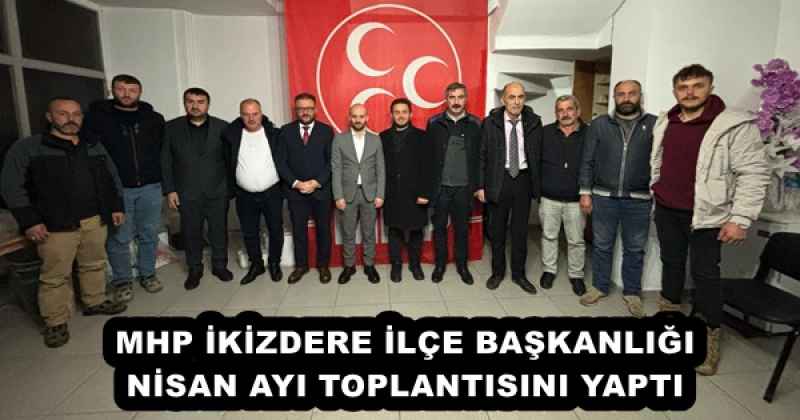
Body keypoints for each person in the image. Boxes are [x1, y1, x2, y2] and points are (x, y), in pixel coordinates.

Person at [651, 64, 769, 375]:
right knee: (671, 265)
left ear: (710, 87)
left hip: (707, 216)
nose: (690, 92)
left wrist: (740, 218)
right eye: (683, 87)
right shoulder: (667, 121)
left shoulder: (734, 125)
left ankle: (708, 340)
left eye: (697, 85)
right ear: (675, 91)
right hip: (667, 209)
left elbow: (754, 173)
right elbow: (658, 161)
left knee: (705, 276)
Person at [1, 97, 128, 347]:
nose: (71, 119)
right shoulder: (29, 148)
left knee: (94, 263)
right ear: (50, 117)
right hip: (55, 225)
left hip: (94, 219)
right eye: (63, 114)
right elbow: (11, 186)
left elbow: (111, 177)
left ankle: (94, 301)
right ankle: (55, 321)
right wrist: (29, 221)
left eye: (76, 114)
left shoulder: (92, 145)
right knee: (55, 275)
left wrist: (116, 206)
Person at [82, 74, 166, 302]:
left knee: (149, 233)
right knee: (120, 236)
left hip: (150, 186)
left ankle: (148, 274)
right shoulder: (98, 119)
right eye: (121, 89)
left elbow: (162, 151)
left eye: (132, 90)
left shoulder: (153, 119)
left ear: (140, 92)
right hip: (118, 189)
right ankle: (122, 281)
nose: (127, 94)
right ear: (112, 90)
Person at [578, 80, 657, 318]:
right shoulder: (600, 124)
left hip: (639, 199)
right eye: (621, 94)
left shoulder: (654, 124)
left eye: (632, 93)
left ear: (640, 96)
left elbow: (661, 161)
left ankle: (632, 292)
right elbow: (587, 159)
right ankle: (600, 286)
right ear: (614, 97)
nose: (626, 98)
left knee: (635, 249)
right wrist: (585, 191)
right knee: (602, 245)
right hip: (604, 197)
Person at [162, 88, 232, 290]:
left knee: (219, 231)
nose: (195, 106)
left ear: (208, 104)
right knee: (191, 232)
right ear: (185, 103)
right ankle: (194, 268)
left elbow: (230, 159)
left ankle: (220, 265)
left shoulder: (223, 127)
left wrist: (229, 188)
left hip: (217, 190)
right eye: (190, 101)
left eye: (200, 101)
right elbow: (165, 160)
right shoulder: (171, 127)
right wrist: (170, 190)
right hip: (186, 191)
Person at [477, 82, 542, 294]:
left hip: (523, 180)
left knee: (520, 232)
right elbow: (481, 156)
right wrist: (480, 186)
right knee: (497, 231)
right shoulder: (490, 123)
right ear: (503, 99)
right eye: (512, 97)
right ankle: (497, 273)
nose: (516, 102)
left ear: (524, 99)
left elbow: (539, 155)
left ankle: (519, 275)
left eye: (520, 97)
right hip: (499, 180)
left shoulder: (534, 122)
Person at [223, 98, 285, 286]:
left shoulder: (274, 134)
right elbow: (225, 163)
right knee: (249, 232)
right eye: (246, 114)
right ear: (240, 116)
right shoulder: (231, 136)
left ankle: (274, 263)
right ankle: (256, 264)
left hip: (272, 192)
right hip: (244, 194)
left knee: (275, 229)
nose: (251, 118)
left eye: (255, 114)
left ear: (261, 113)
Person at [425, 82, 482, 284]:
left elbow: (480, 158)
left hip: (464, 189)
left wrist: (479, 186)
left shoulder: (476, 124)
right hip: (440, 188)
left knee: (462, 230)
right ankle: (440, 265)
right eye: (452, 97)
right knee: (439, 228)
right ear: (446, 99)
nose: (456, 101)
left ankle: (462, 266)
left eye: (460, 97)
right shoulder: (433, 123)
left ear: (466, 99)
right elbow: (427, 158)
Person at [277, 93, 334, 284]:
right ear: (296, 110)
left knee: (324, 230)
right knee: (298, 231)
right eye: (301, 108)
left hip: (321, 191)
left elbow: (331, 162)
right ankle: (301, 266)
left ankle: (323, 266)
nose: (305, 112)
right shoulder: (285, 131)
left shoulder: (326, 131)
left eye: (309, 108)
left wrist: (316, 182)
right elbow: (281, 163)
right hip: (296, 192)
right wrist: (296, 183)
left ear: (315, 109)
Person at [538, 95, 588, 296]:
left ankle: (576, 275)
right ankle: (549, 271)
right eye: (560, 110)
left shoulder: (589, 134)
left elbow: (593, 164)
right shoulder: (545, 133)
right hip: (549, 198)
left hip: (577, 199)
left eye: (569, 109)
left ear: (578, 111)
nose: (565, 113)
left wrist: (588, 193)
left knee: (576, 240)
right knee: (548, 236)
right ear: (556, 113)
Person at [380, 98, 433, 282]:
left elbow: (428, 167)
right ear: (392, 115)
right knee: (394, 230)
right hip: (391, 193)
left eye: (404, 112)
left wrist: (425, 193)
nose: (400, 115)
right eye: (397, 112)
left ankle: (415, 264)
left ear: (410, 114)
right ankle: (396, 265)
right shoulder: (383, 137)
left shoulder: (422, 136)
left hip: (416, 193)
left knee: (416, 230)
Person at [332, 104, 385, 284]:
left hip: (370, 194)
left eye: (361, 116)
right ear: (350, 118)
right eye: (354, 116)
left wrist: (380, 194)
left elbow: (381, 169)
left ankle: (369, 265)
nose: (358, 119)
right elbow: (336, 169)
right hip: (347, 194)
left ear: (367, 118)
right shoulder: (339, 139)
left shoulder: (375, 139)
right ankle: (349, 266)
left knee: (369, 233)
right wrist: (338, 196)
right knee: (348, 233)